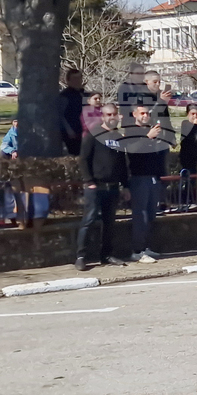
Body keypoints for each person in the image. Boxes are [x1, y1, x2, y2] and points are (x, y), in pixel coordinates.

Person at [75, 104, 129, 271]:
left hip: (112, 187)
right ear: (103, 116)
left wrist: (125, 186)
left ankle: (106, 254)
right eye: (108, 114)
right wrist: (89, 180)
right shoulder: (93, 134)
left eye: (114, 114)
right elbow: (83, 159)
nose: (112, 117)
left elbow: (122, 164)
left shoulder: (119, 137)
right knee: (89, 220)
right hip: (95, 186)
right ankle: (81, 256)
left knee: (109, 222)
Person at [123, 104, 170, 263]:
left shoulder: (153, 130)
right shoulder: (130, 131)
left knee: (150, 214)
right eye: (142, 113)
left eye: (147, 113)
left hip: (153, 177)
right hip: (139, 177)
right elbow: (132, 150)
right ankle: (137, 250)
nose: (145, 116)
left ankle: (145, 246)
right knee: (140, 215)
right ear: (135, 114)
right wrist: (148, 137)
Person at [179, 103, 197, 209]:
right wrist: (195, 126)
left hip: (196, 158)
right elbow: (186, 141)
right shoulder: (185, 124)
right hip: (186, 158)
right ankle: (184, 201)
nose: (195, 116)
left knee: (193, 181)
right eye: (192, 114)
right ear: (187, 114)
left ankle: (191, 199)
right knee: (186, 181)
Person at [59, 68, 86, 154]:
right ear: (68, 81)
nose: (77, 81)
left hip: (84, 133)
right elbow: (61, 115)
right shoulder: (64, 96)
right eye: (74, 79)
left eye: (79, 78)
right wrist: (69, 130)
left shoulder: (84, 94)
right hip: (72, 135)